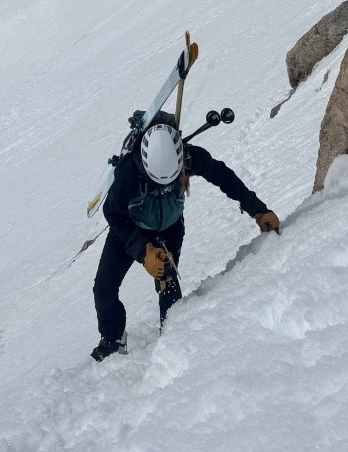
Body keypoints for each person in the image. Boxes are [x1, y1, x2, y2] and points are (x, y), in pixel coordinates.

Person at [91, 110, 280, 361]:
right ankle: (113, 339)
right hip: (130, 228)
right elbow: (113, 213)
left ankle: (173, 342)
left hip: (169, 228)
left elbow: (223, 177)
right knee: (104, 288)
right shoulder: (129, 170)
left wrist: (258, 210)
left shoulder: (189, 157)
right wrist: (143, 250)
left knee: (167, 282)